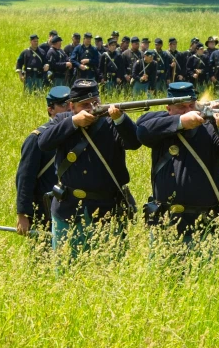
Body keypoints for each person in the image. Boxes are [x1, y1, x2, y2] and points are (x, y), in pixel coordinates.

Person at [37, 79, 141, 256]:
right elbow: (43, 143)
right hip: (68, 207)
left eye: (95, 103)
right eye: (85, 105)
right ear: (72, 106)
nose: (92, 107)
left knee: (109, 267)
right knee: (65, 266)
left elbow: (134, 142)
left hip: (107, 208)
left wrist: (120, 119)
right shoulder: (63, 120)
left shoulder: (111, 122)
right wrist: (74, 123)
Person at [136, 82, 219, 240]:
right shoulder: (161, 127)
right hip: (164, 219)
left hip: (202, 221)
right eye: (181, 107)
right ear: (169, 109)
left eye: (191, 106)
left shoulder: (210, 127)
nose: (188, 111)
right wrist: (180, 121)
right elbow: (142, 131)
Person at [15, 86, 71, 238]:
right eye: (64, 104)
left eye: (72, 103)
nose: (69, 108)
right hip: (44, 208)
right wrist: (23, 214)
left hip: (70, 207)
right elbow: (25, 177)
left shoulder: (78, 133)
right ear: (51, 109)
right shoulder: (37, 137)